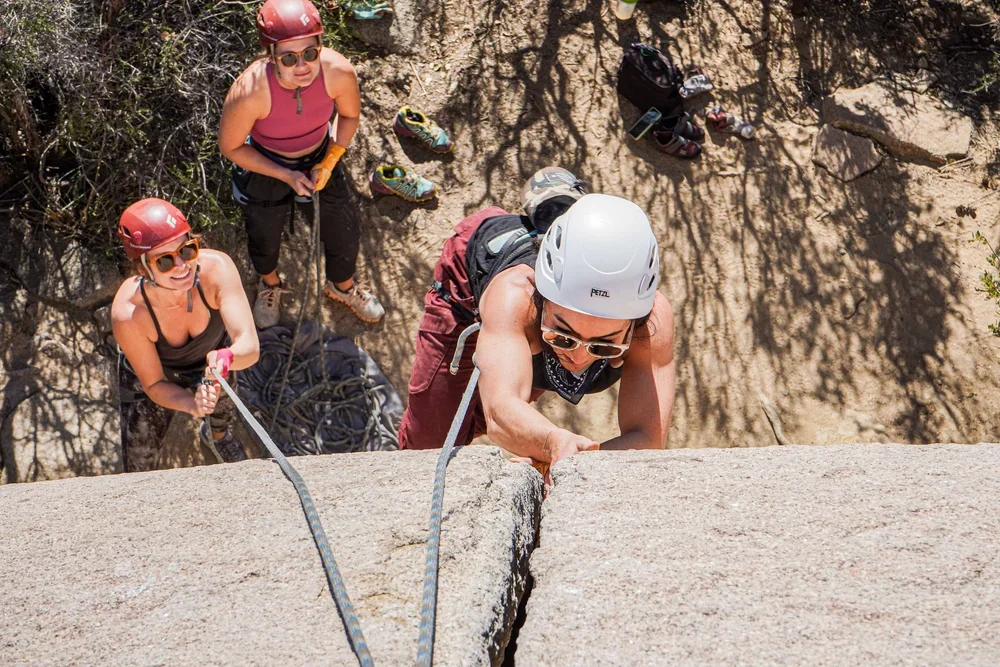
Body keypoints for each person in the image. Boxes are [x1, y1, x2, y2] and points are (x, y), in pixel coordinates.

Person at [398, 167, 676, 475]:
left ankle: (562, 210)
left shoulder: (650, 323)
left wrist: (563, 457)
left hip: (531, 329)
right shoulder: (517, 296)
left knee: (484, 406)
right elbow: (501, 412)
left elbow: (648, 438)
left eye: (604, 347)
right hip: (471, 287)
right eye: (563, 337)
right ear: (541, 302)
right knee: (430, 444)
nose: (578, 357)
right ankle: (557, 212)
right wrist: (552, 444)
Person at [219, 0, 383, 328]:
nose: (303, 66)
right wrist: (284, 174)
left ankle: (342, 287)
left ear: (320, 46)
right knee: (263, 234)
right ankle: (269, 284)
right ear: (271, 56)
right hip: (266, 162)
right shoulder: (250, 91)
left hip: (320, 154)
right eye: (289, 58)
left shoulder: (337, 71)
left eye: (310, 53)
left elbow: (349, 116)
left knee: (344, 229)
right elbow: (231, 147)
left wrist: (331, 159)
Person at [111, 198, 260, 472]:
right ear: (143, 268)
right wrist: (191, 404)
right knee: (139, 458)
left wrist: (224, 359)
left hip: (214, 360)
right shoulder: (130, 313)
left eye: (187, 250)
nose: (181, 265)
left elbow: (248, 346)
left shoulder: (217, 271)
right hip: (156, 374)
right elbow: (154, 384)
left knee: (221, 406)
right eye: (165, 261)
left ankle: (216, 437)